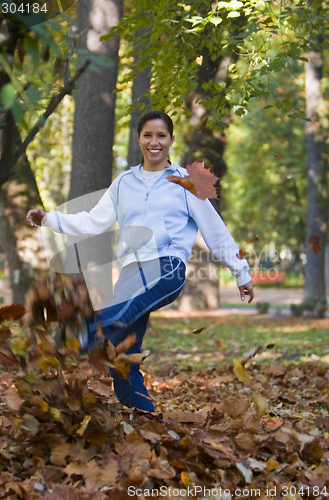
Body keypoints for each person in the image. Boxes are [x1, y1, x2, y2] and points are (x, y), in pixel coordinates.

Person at [26, 110, 254, 413]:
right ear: (139, 139)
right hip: (131, 274)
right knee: (121, 357)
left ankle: (77, 338)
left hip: (166, 267)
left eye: (161, 136)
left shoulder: (186, 182)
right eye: (148, 135)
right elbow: (94, 221)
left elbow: (215, 231)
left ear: (172, 140)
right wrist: (49, 219)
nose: (154, 142)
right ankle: (145, 419)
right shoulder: (124, 183)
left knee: (112, 319)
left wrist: (241, 271)